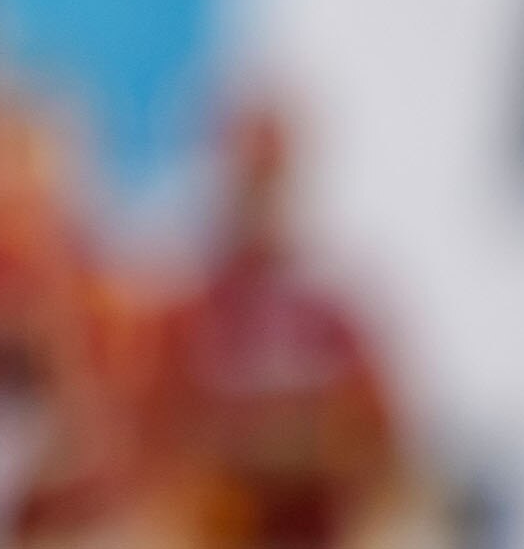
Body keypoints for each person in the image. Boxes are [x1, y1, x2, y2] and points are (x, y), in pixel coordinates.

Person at [142, 98, 411, 549]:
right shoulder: (184, 307)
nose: (259, 195)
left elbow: (384, 447)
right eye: (245, 178)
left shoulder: (333, 310)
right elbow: (152, 443)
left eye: (272, 179)